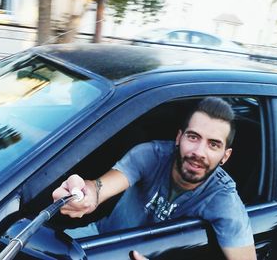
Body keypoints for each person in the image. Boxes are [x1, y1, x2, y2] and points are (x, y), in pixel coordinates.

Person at [52, 97, 256, 260]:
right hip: (100, 240)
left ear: (225, 156)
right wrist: (83, 196)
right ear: (179, 138)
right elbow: (99, 187)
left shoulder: (224, 199)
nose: (199, 152)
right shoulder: (151, 155)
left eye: (213, 144)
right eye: (193, 137)